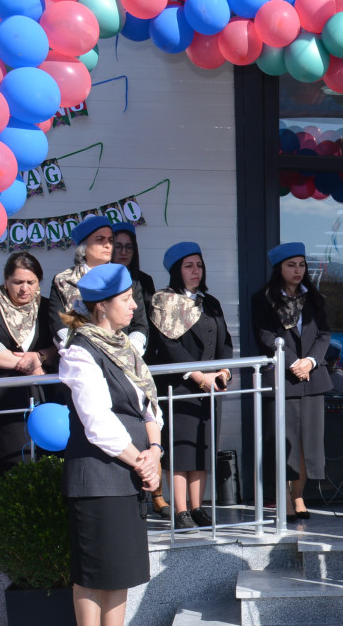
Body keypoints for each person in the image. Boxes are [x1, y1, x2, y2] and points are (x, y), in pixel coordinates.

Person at [57, 263, 162, 626]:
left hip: (129, 468)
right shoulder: (80, 350)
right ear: (102, 307)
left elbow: (149, 404)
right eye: (127, 300)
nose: (134, 305)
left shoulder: (124, 347)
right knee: (93, 571)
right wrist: (141, 460)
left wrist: (155, 451)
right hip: (98, 473)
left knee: (118, 566)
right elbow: (97, 421)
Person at [148, 242, 233, 530]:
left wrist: (223, 370)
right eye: (188, 266)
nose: (195, 270)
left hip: (211, 387)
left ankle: (198, 507)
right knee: (180, 450)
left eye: (198, 265)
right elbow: (168, 346)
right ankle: (180, 509)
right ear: (176, 271)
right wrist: (198, 376)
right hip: (181, 386)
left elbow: (225, 342)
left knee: (203, 449)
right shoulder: (163, 300)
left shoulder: (211, 302)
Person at [251, 242, 331, 521]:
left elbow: (324, 335)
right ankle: (283, 499)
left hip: (312, 378)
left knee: (309, 444)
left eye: (301, 264)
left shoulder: (314, 298)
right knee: (283, 444)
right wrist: (291, 363)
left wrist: (309, 361)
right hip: (282, 377)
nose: (297, 270)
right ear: (279, 269)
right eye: (291, 265)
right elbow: (264, 336)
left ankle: (299, 497)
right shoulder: (263, 299)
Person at [0, 251, 56, 479]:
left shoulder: (49, 308)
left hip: (47, 394)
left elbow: (63, 345)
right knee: (10, 462)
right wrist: (28, 361)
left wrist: (41, 357)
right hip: (2, 397)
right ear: (6, 280)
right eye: (18, 282)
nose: (24, 288)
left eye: (31, 282)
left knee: (50, 460)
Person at [110, 222, 166, 516]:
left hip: (136, 360)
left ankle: (156, 492)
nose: (123, 252)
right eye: (117, 246)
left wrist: (129, 352)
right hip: (106, 360)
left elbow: (145, 323)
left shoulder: (142, 280)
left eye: (128, 246)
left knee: (149, 426)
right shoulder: (102, 280)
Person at [46, 215, 149, 355]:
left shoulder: (125, 278)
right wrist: (77, 350)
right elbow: (57, 323)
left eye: (111, 240)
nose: (108, 245)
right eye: (100, 240)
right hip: (78, 356)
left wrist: (130, 352)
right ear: (84, 246)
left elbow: (140, 325)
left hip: (122, 355)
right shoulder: (63, 281)